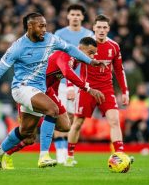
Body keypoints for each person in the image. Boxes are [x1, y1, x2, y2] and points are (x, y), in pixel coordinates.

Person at [0, 12, 104, 170]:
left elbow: (70, 48)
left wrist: (91, 61)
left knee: (27, 132)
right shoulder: (17, 48)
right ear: (30, 26)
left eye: (45, 25)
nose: (44, 29)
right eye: (41, 26)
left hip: (41, 90)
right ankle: (44, 156)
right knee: (52, 110)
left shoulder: (51, 39)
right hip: (22, 88)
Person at [7, 37, 105, 166]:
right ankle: (6, 154)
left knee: (65, 126)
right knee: (29, 137)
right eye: (90, 52)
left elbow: (55, 79)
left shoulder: (76, 61)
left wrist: (55, 99)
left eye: (94, 54)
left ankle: (44, 132)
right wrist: (88, 89)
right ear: (80, 49)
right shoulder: (66, 54)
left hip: (47, 91)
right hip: (31, 90)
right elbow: (67, 72)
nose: (92, 56)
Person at [66, 14, 130, 166]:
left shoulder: (114, 46)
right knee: (78, 123)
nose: (101, 30)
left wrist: (125, 91)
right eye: (99, 27)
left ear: (108, 29)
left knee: (114, 120)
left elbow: (119, 70)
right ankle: (69, 156)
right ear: (93, 28)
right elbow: (70, 67)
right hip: (87, 89)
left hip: (106, 89)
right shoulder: (85, 45)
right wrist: (70, 87)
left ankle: (119, 154)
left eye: (104, 27)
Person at [53, 4, 93, 163]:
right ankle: (60, 153)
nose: (75, 17)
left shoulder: (89, 35)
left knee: (74, 119)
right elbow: (58, 59)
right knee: (59, 116)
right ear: (68, 16)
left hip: (80, 82)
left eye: (78, 14)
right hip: (61, 82)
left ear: (82, 17)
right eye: (73, 14)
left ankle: (68, 154)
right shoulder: (59, 34)